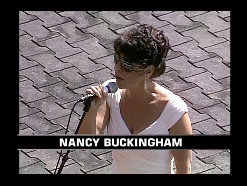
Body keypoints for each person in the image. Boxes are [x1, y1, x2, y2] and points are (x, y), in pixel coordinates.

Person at [78, 24, 192, 174]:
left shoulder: (173, 110)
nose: (117, 68)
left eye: (127, 65)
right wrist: (92, 110)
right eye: (117, 59)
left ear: (148, 71)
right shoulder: (111, 94)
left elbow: (184, 168)